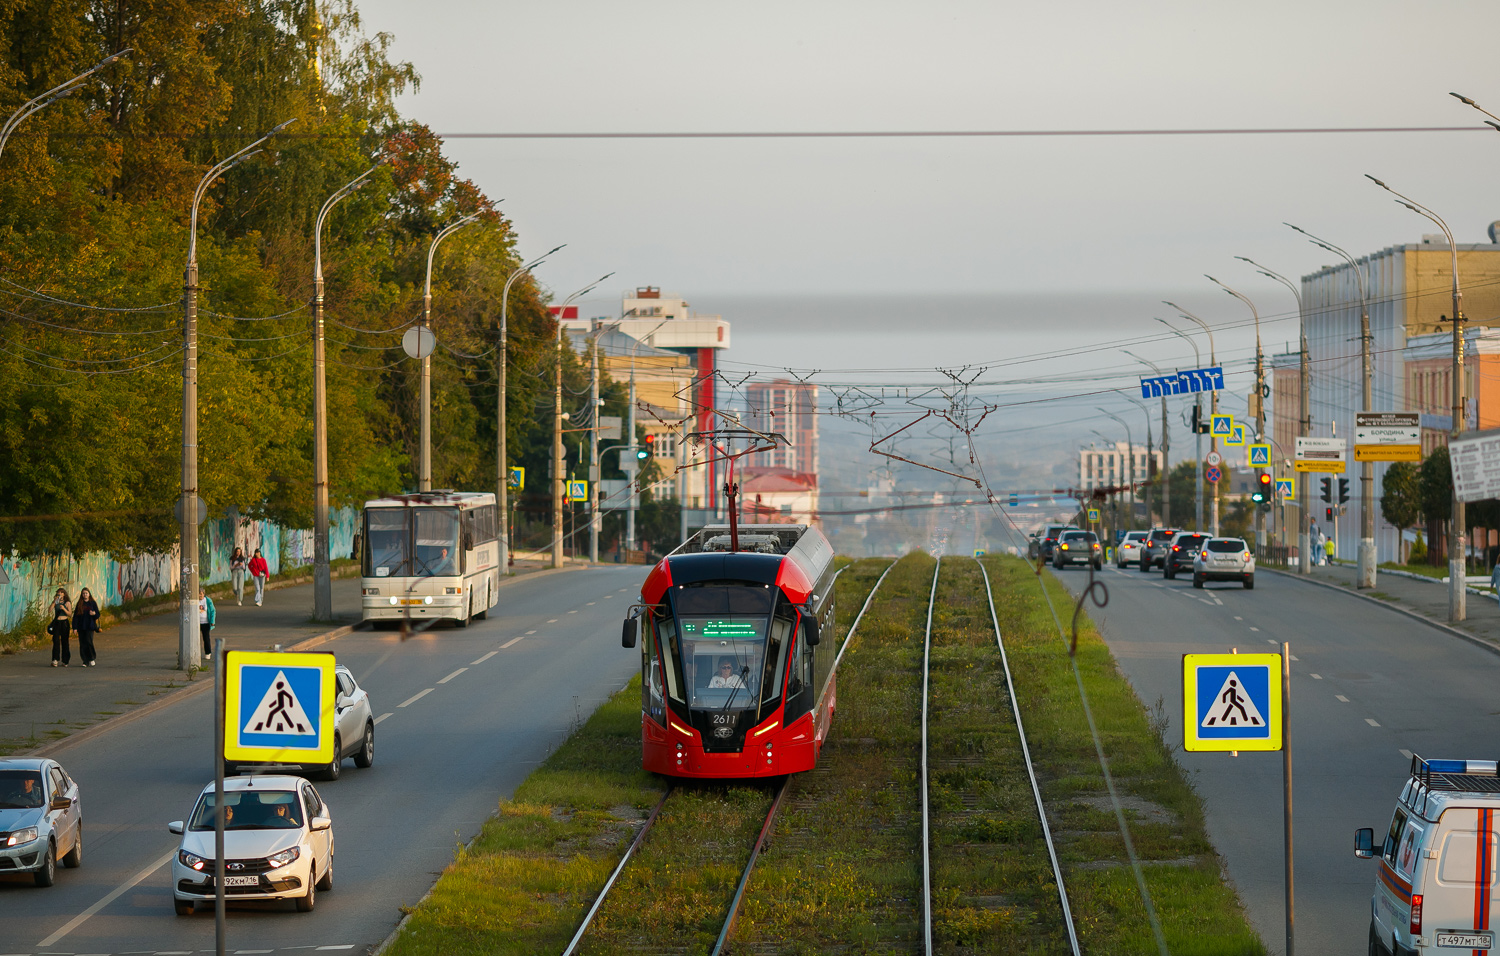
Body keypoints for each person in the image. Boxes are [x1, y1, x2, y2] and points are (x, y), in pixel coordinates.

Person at [73, 587, 101, 667]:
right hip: (81, 627)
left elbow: (98, 615)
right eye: (83, 593)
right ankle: (85, 661)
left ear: (89, 594)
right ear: (82, 595)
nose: (85, 595)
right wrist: (75, 627)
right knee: (82, 644)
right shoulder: (80, 604)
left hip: (90, 626)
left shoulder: (92, 603)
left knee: (89, 642)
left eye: (86, 593)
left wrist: (94, 614)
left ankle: (91, 658)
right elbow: (76, 616)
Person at [48, 587, 71, 667]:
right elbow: (49, 610)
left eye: (61, 593)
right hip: (57, 622)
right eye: (58, 592)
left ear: (64, 594)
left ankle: (65, 660)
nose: (59, 594)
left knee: (65, 641)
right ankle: (55, 659)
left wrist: (64, 609)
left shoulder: (67, 603)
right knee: (56, 640)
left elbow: (70, 614)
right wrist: (54, 602)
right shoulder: (56, 602)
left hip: (64, 622)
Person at [198, 587, 216, 659]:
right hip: (197, 623)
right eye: (198, 594)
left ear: (203, 594)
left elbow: (212, 611)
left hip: (205, 622)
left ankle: (208, 653)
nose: (200, 596)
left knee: (206, 638)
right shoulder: (195, 601)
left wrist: (212, 621)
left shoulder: (208, 601)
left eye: (201, 594)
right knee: (195, 639)